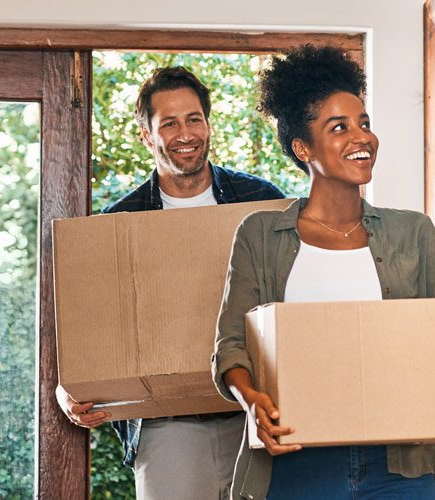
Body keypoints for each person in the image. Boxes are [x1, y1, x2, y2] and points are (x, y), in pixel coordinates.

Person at [210, 45, 435, 500]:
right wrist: (252, 402)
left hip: (400, 465)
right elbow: (231, 345)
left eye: (364, 123)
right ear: (302, 147)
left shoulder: (412, 231)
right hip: (297, 461)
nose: (362, 138)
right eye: (339, 127)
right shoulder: (259, 235)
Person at [55, 66, 285, 500]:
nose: (185, 134)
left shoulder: (261, 202)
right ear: (147, 136)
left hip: (252, 414)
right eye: (170, 123)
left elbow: (293, 298)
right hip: (167, 425)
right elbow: (89, 326)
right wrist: (72, 388)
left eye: (194, 119)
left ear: (208, 124)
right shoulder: (119, 224)